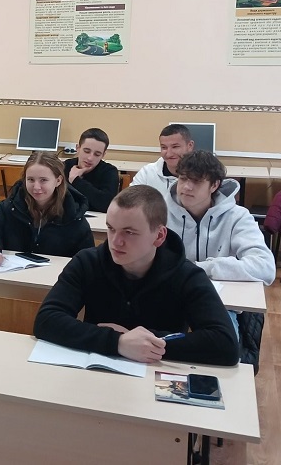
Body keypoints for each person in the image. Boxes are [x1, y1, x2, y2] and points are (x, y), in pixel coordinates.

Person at [34, 186, 239, 366]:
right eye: (111, 229)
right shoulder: (87, 262)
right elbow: (46, 320)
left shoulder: (186, 275)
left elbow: (226, 345)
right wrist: (118, 341)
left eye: (129, 232)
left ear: (159, 236)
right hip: (96, 370)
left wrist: (143, 342)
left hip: (154, 377)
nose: (115, 241)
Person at [168, 151, 275, 285]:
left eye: (196, 181)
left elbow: (265, 268)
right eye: (183, 178)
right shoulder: (160, 213)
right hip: (173, 291)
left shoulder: (237, 217)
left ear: (214, 185)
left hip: (222, 294)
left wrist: (202, 268)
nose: (186, 187)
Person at [0, 152, 94, 263]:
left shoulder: (74, 216)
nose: (36, 187)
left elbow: (87, 260)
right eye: (30, 179)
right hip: (12, 276)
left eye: (43, 180)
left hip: (55, 279)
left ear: (58, 181)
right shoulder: (10, 206)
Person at [63, 127, 119, 212]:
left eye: (97, 154)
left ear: (103, 155)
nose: (90, 158)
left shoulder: (110, 172)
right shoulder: (65, 166)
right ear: (78, 148)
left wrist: (76, 180)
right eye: (86, 151)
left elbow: (106, 205)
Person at [131, 124, 194, 197]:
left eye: (175, 147)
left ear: (190, 146)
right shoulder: (146, 173)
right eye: (164, 147)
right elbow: (130, 201)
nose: (169, 154)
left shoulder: (202, 175)